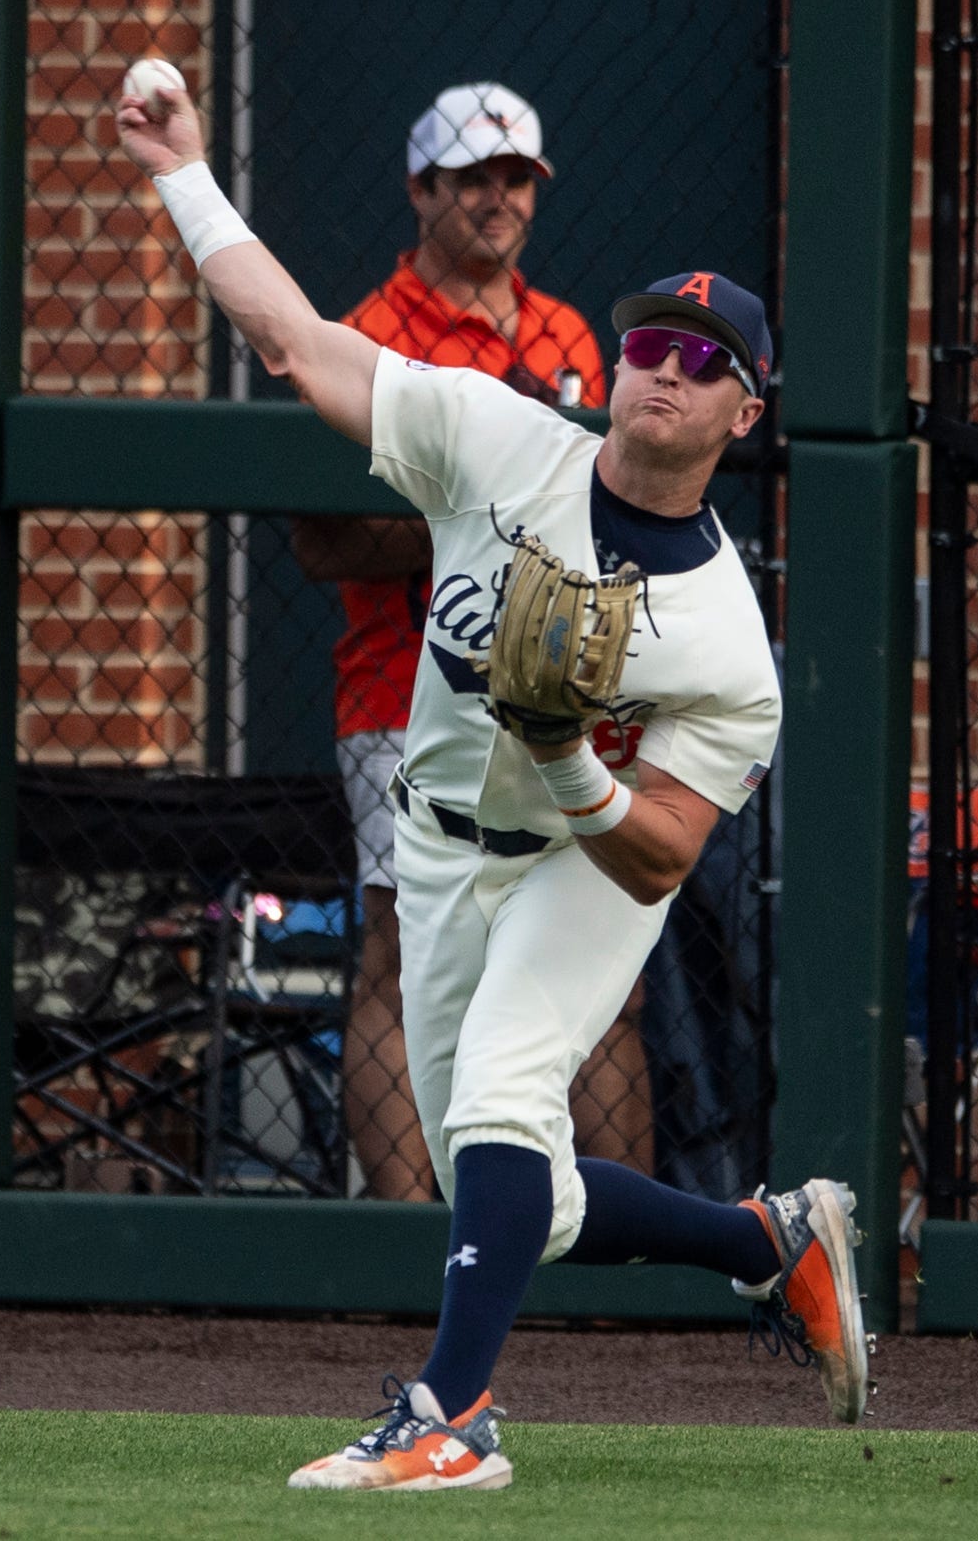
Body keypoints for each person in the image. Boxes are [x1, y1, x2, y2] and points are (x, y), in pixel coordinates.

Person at [116, 71, 863, 1492]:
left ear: (745, 415)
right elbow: (295, 344)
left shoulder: (725, 646)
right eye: (652, 340)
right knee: (516, 1188)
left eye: (707, 362)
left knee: (505, 1099)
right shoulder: (506, 436)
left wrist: (569, 751)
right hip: (439, 842)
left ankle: (453, 1412)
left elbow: (659, 856)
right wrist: (185, 173)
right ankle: (768, 1241)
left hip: (580, 860)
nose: (666, 368)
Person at [287, 83, 652, 1201]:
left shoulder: (568, 335)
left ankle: (613, 1258)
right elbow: (325, 539)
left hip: (559, 692)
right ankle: (412, 1242)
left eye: (516, 180)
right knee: (403, 957)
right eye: (473, 179)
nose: (498, 201)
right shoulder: (370, 334)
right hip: (401, 696)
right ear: (421, 190)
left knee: (600, 967)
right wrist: (491, 520)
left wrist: (489, 514)